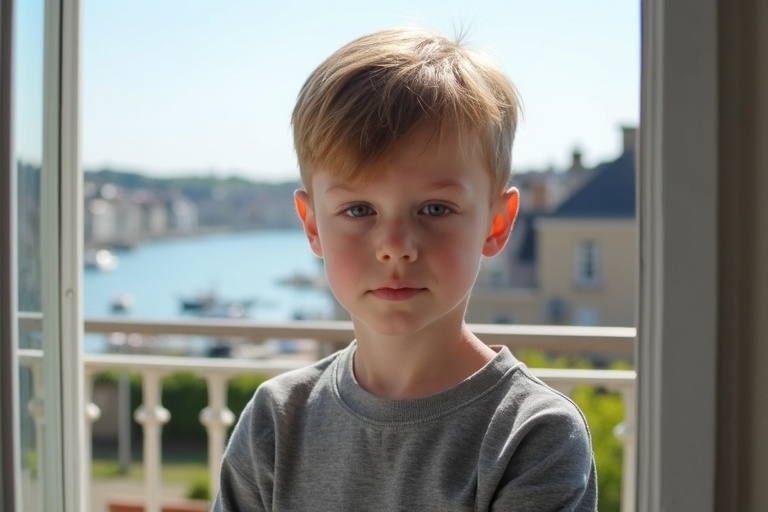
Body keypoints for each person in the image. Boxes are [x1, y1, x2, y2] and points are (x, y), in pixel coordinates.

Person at [213, 26, 597, 512]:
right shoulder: (276, 419)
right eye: (358, 210)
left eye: (435, 209)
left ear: (496, 224)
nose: (396, 247)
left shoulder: (531, 434)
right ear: (313, 226)